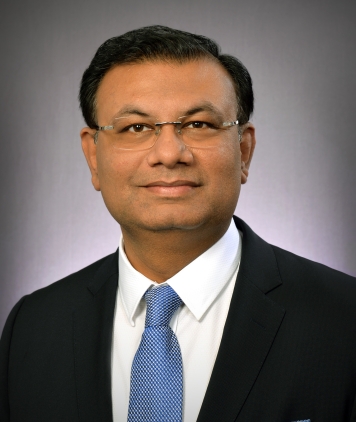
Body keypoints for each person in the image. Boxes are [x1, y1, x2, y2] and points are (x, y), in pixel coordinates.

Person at [1, 25, 356, 422]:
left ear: (244, 150)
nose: (169, 154)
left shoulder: (345, 319)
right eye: (135, 127)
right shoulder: (31, 329)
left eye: (199, 124)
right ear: (93, 155)